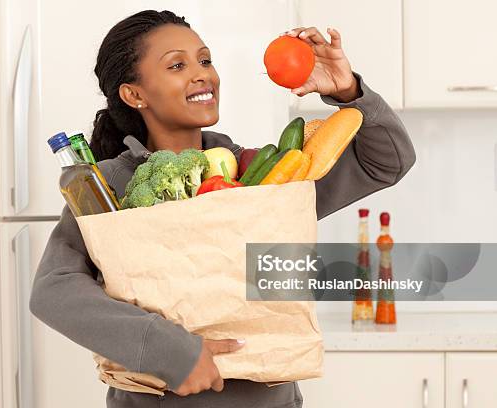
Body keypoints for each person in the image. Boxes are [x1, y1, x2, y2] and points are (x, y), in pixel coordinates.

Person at [30, 9, 415, 408]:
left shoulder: (260, 175)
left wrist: (348, 92)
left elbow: (386, 162)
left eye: (206, 60)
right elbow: (53, 289)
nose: (202, 74)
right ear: (134, 94)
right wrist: (169, 348)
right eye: (177, 64)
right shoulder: (105, 184)